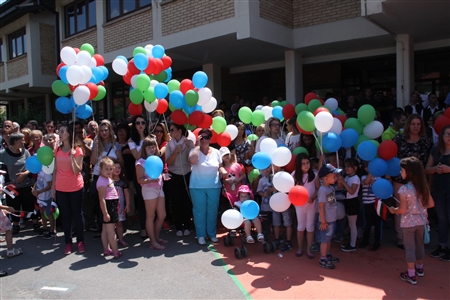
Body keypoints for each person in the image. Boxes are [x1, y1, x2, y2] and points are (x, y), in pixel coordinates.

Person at [389, 157, 435, 285]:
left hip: (408, 224)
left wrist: (394, 210)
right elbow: (431, 204)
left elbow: (402, 210)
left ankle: (411, 274)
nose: (400, 172)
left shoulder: (404, 189)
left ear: (409, 172)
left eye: (402, 170)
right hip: (421, 222)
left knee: (409, 248)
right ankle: (420, 268)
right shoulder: (423, 187)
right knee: (420, 246)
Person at [392, 114, 432, 248]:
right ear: (408, 124)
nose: (416, 127)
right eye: (413, 124)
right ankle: (401, 238)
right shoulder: (399, 138)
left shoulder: (426, 141)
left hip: (419, 181)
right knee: (401, 207)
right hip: (400, 178)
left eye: (418, 124)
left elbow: (428, 161)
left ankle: (418, 237)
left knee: (420, 208)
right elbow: (390, 155)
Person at [51, 125, 85, 255]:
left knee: (77, 214)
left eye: (62, 131)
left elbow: (77, 170)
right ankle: (68, 242)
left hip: (75, 187)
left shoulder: (77, 150)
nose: (59, 133)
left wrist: (72, 157)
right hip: (61, 187)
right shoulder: (57, 150)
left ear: (69, 134)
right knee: (65, 216)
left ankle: (80, 241)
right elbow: (55, 170)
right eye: (59, 131)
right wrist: (53, 187)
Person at [188, 128, 224, 245]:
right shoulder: (194, 150)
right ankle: (201, 235)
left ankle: (212, 234)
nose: (204, 140)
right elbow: (193, 161)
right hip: (197, 186)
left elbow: (220, 166)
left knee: (212, 211)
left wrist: (223, 171)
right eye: (201, 137)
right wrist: (198, 146)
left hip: (213, 186)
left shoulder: (217, 152)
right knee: (199, 211)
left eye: (207, 137)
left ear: (210, 139)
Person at [89, 120, 124, 233]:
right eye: (102, 130)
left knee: (112, 204)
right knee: (100, 203)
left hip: (111, 177)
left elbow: (121, 161)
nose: (104, 132)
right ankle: (102, 230)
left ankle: (113, 230)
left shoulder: (115, 144)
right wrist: (96, 146)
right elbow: (93, 161)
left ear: (110, 130)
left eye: (106, 130)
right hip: (98, 176)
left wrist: (108, 162)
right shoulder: (96, 142)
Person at [0, 133, 37, 234]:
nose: (24, 142)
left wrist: (25, 174)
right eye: (22, 140)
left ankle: (35, 224)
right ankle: (16, 225)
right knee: (13, 205)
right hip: (11, 187)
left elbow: (31, 165)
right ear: (15, 142)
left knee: (29, 204)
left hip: (26, 184)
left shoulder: (25, 152)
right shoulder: (3, 154)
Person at [135, 137, 168, 250]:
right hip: (148, 189)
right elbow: (139, 180)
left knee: (162, 215)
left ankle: (156, 237)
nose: (151, 148)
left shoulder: (156, 159)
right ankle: (152, 242)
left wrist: (164, 176)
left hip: (159, 188)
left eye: (153, 146)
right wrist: (150, 180)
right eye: (148, 146)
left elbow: (159, 173)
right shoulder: (140, 162)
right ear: (144, 148)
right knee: (151, 215)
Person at [425, 125, 450, 261]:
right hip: (439, 189)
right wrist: (435, 169)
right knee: (442, 219)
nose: (449, 137)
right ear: (442, 136)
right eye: (447, 134)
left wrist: (448, 169)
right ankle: (442, 245)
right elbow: (427, 169)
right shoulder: (435, 151)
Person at [165, 123, 194, 237]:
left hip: (187, 174)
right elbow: (169, 162)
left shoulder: (188, 142)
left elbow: (192, 160)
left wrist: (189, 148)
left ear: (179, 131)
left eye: (172, 130)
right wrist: (175, 151)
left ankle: (187, 225)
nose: (170, 132)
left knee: (186, 201)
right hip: (174, 175)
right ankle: (178, 227)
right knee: (176, 201)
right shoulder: (169, 145)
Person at [292, 153, 319, 259]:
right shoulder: (294, 175)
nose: (306, 165)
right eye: (303, 164)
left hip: (311, 205)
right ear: (299, 165)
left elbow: (318, 188)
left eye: (307, 163)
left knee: (310, 227)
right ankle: (300, 248)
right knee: (301, 226)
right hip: (299, 206)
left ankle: (309, 249)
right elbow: (291, 190)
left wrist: (312, 198)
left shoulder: (315, 174)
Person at [97, 157, 122, 258]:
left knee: (105, 229)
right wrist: (105, 213)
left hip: (111, 205)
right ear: (101, 169)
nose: (109, 171)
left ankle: (106, 249)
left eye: (110, 169)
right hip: (108, 206)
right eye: (106, 169)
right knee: (111, 230)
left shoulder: (107, 179)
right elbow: (102, 199)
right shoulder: (102, 182)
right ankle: (116, 251)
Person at [129, 115, 149, 239]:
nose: (140, 125)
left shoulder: (151, 137)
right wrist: (144, 143)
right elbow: (136, 156)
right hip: (140, 174)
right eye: (137, 123)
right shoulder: (131, 141)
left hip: (152, 173)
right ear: (135, 126)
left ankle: (151, 227)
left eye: (142, 122)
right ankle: (143, 228)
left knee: (151, 201)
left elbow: (155, 153)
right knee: (142, 202)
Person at [317, 164, 341, 269]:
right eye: (334, 176)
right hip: (326, 221)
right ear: (326, 178)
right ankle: (323, 258)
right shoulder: (323, 190)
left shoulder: (330, 188)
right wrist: (323, 221)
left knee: (329, 238)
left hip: (331, 219)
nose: (336, 177)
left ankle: (327, 254)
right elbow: (321, 206)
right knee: (324, 240)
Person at [337, 158, 361, 252]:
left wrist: (343, 182)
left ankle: (353, 244)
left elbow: (352, 191)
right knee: (350, 224)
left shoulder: (356, 178)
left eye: (349, 166)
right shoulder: (347, 177)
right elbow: (340, 187)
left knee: (352, 224)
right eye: (345, 166)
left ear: (355, 168)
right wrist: (340, 181)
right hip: (347, 201)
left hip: (353, 202)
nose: (346, 168)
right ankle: (351, 242)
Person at [359, 161, 382, 251]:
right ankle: (365, 240)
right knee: (368, 223)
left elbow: (376, 184)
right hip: (368, 203)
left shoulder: (379, 178)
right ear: (365, 168)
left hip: (377, 203)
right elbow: (366, 182)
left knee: (377, 224)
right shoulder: (363, 177)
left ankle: (377, 242)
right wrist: (371, 173)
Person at [32, 168, 55, 239]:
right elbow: (37, 181)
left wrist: (39, 192)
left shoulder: (47, 172)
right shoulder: (39, 170)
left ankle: (53, 230)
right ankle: (45, 228)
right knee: (42, 212)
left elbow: (49, 186)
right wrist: (34, 188)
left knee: (49, 213)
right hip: (40, 197)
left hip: (47, 197)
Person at [112, 158, 130, 247]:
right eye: (114, 168)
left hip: (120, 207)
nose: (117, 169)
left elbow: (126, 194)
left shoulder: (123, 182)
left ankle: (121, 239)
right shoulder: (108, 181)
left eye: (118, 168)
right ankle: (111, 241)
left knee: (119, 223)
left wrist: (128, 205)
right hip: (111, 206)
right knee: (111, 225)